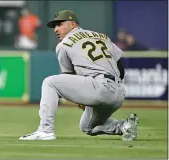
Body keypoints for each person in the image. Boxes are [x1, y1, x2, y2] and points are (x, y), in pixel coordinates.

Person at [19, 10, 138, 141]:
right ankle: (125, 126)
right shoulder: (101, 36)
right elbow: (120, 67)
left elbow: (69, 76)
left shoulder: (64, 44)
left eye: (60, 24)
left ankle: (45, 130)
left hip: (99, 88)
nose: (56, 29)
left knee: (50, 83)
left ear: (73, 24)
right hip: (118, 93)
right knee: (87, 126)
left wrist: (86, 97)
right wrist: (112, 87)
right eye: (55, 26)